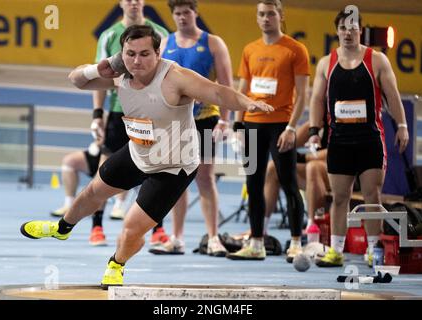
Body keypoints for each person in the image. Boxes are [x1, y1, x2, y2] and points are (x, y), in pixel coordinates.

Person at [20, 25, 273, 288]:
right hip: (138, 153)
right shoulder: (120, 75)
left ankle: (116, 263)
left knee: (131, 228)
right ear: (122, 54)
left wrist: (246, 103)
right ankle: (62, 229)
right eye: (130, 54)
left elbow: (218, 92)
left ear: (157, 52)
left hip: (173, 168)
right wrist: (100, 68)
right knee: (91, 193)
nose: (137, 61)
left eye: (144, 54)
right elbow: (77, 80)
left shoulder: (175, 77)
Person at [51, 0, 170, 247]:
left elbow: (167, 73)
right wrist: (97, 115)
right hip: (118, 112)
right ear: (121, 2)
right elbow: (99, 75)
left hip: (150, 113)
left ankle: (158, 229)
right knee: (105, 171)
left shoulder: (161, 34)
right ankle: (97, 227)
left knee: (153, 169)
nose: (133, 3)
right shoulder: (108, 36)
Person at [308, 9, 409, 267]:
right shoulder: (325, 63)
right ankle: (336, 250)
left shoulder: (376, 60)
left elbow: (393, 96)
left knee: (372, 196)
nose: (348, 32)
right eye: (343, 28)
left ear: (360, 30)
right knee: (340, 197)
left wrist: (402, 125)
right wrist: (313, 131)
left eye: (353, 27)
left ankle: (374, 249)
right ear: (337, 31)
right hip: (339, 141)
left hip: (369, 141)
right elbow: (317, 99)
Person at [227, 0, 310, 262]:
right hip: (253, 124)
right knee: (253, 185)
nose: (265, 19)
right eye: (261, 14)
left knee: (289, 183)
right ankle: (256, 242)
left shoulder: (295, 50)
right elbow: (242, 90)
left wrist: (290, 128)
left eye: (270, 14)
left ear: (280, 16)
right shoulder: (250, 49)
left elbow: (302, 96)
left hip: (280, 126)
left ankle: (296, 242)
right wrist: (238, 125)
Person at [148, 0, 232, 257]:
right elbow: (156, 83)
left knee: (205, 179)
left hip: (206, 119)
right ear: (172, 15)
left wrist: (225, 120)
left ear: (195, 13)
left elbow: (226, 86)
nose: (182, 17)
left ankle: (214, 237)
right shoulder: (164, 44)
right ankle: (177, 237)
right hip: (175, 122)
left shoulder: (213, 43)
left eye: (186, 12)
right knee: (175, 179)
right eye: (177, 13)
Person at [263, 121, 329, 236]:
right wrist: (287, 139)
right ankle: (261, 228)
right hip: (317, 168)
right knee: (273, 168)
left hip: (344, 171)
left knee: (313, 168)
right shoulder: (322, 111)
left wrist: (303, 157)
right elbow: (300, 135)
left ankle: (312, 227)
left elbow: (338, 151)